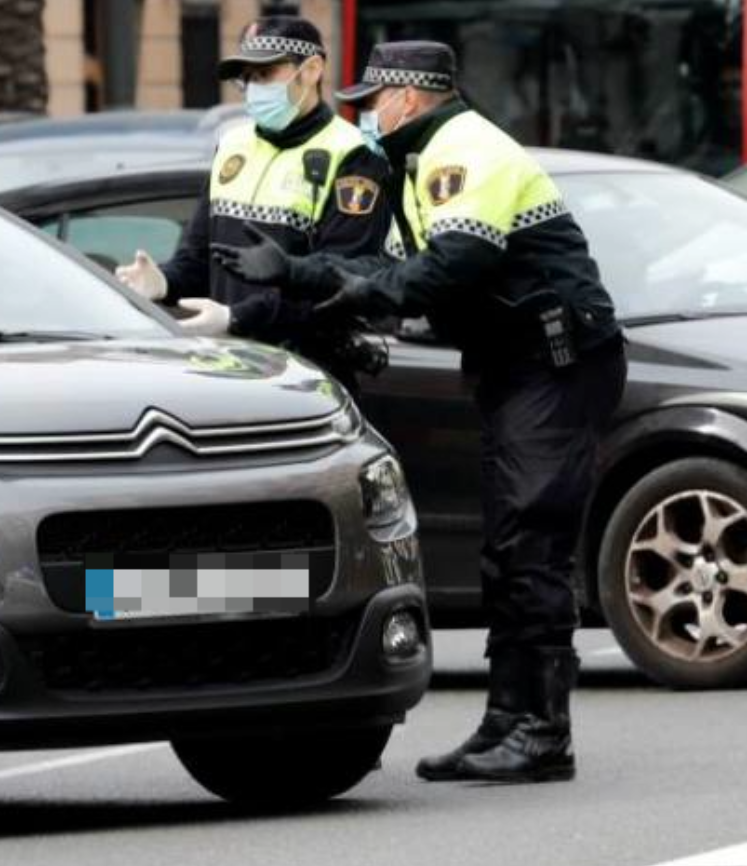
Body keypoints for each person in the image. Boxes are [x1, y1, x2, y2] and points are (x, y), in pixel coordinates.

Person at [215, 41, 627, 784]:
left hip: (556, 364)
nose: (366, 115)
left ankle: (540, 732)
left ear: (408, 97)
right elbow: (391, 264)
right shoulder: (422, 163)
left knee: (529, 542)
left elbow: (449, 267)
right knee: (507, 545)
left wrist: (360, 294)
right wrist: (300, 272)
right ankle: (507, 722)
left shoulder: (464, 151)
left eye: (372, 101)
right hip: (517, 365)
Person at [114, 15, 390, 391]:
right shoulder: (233, 145)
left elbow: (341, 280)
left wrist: (237, 317)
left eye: (266, 74)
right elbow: (198, 259)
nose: (253, 88)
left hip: (306, 375)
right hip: (226, 370)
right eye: (247, 78)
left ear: (311, 70)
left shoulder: (353, 154)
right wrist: (163, 281)